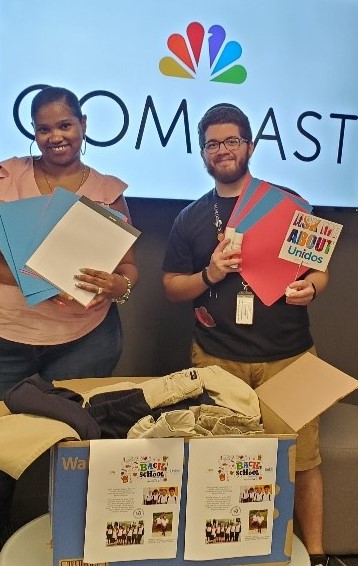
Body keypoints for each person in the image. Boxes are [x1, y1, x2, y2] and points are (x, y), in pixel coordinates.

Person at [162, 103, 329, 566]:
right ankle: (228, 554)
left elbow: (319, 269)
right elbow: (173, 287)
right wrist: (210, 274)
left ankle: (314, 555)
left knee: (304, 460)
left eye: (232, 140)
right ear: (202, 154)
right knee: (222, 462)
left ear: (249, 146)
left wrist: (310, 288)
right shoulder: (190, 219)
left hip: (291, 357)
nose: (223, 150)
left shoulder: (289, 203)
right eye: (213, 143)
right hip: (218, 359)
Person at [0, 86, 138, 542]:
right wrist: (38, 281)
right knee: (2, 447)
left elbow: (127, 269)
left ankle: (66, 541)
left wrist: (119, 288)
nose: (56, 136)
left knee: (73, 448)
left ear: (83, 127)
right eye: (44, 128)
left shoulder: (108, 191)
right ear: (33, 132)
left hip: (85, 343)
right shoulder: (5, 179)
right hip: (9, 339)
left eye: (65, 125)